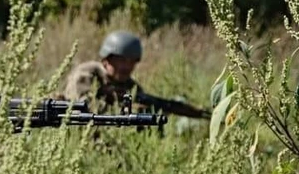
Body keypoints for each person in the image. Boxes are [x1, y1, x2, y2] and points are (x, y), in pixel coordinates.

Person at [61, 31, 210, 118]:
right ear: (106, 60)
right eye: (121, 60)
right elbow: (80, 107)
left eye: (132, 61)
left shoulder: (131, 87)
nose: (127, 66)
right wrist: (123, 110)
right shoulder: (88, 73)